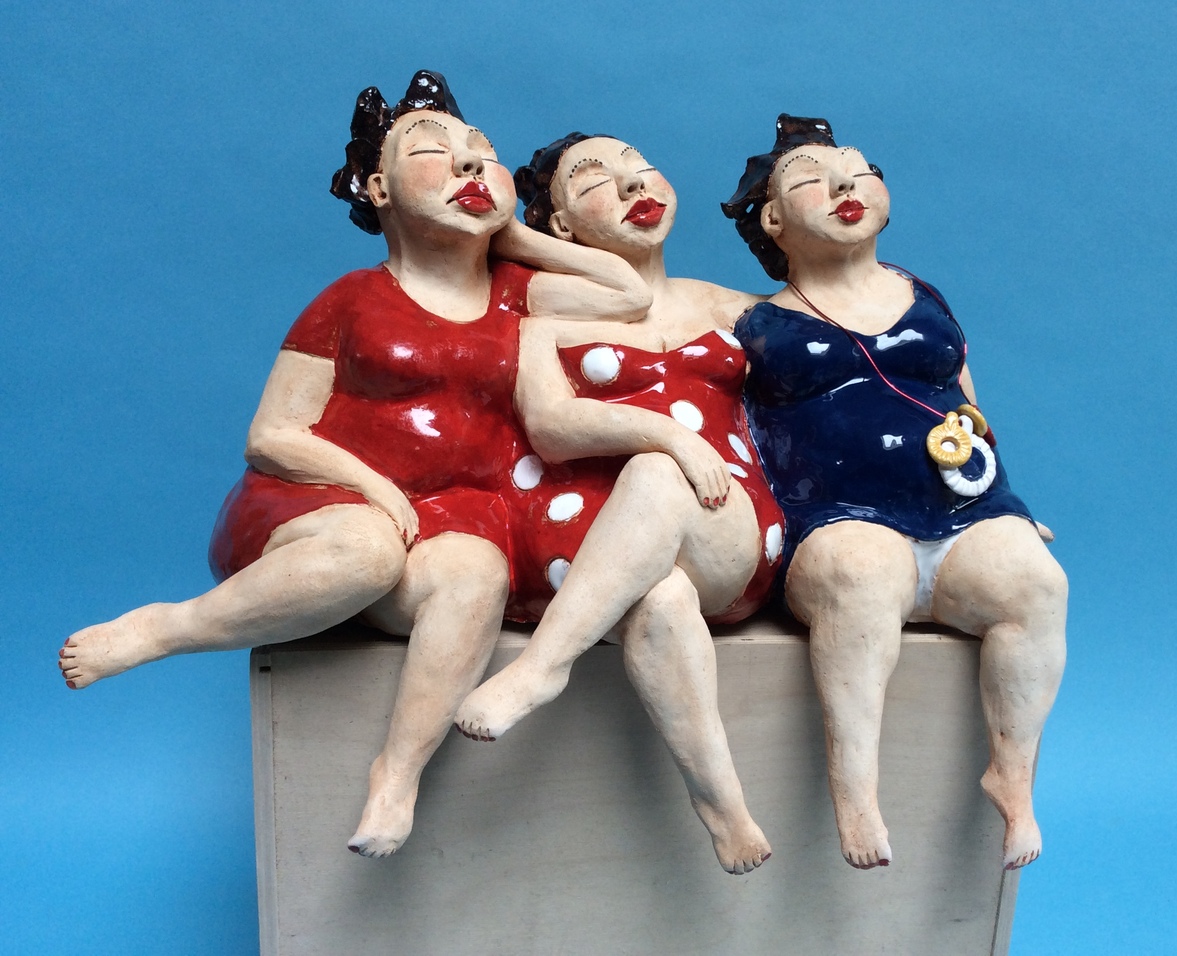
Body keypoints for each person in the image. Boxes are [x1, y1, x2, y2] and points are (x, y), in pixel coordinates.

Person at [56, 71, 650, 859]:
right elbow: (273, 433)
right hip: (323, 499)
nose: (470, 163)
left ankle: (397, 774)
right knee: (366, 552)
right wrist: (372, 489)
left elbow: (626, 293)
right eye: (435, 151)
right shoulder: (350, 299)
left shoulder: (519, 293)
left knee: (476, 575)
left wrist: (513, 232)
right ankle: (169, 627)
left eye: (483, 153)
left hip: (456, 514)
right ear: (378, 189)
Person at [722, 115, 1067, 871]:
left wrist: (1006, 499)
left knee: (1036, 583)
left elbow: (966, 402)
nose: (844, 183)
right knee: (863, 574)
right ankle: (856, 795)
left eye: (859, 169)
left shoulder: (925, 294)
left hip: (959, 509)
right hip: (834, 518)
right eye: (812, 178)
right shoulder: (749, 318)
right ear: (773, 220)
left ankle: (1011, 777)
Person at [451, 133, 783, 874]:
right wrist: (666, 432)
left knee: (658, 476)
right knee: (660, 600)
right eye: (598, 179)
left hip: (722, 518)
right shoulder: (539, 321)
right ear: (559, 226)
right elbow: (551, 427)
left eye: (644, 168)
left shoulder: (730, 306)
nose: (635, 184)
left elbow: (860, 349)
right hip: (589, 540)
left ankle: (543, 666)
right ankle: (723, 806)